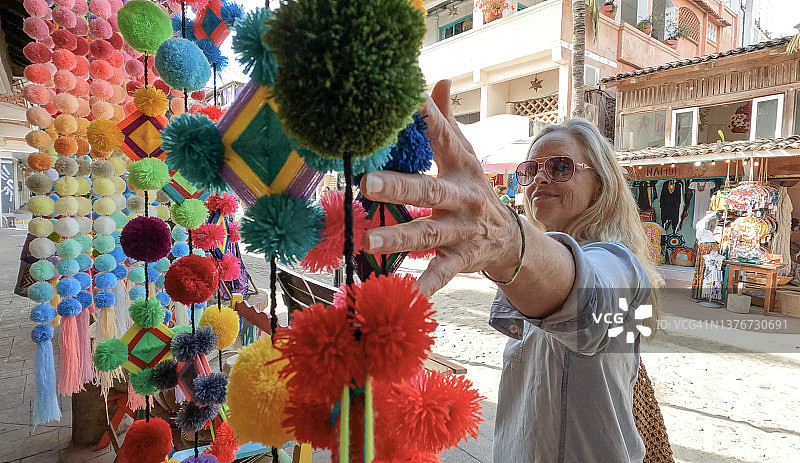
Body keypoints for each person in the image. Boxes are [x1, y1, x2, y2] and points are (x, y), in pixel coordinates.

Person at [359, 80, 663, 462]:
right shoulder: (538, 262)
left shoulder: (622, 265)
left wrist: (504, 239)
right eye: (531, 168)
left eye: (560, 167)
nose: (540, 177)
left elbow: (586, 303)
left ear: (600, 185)